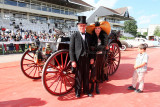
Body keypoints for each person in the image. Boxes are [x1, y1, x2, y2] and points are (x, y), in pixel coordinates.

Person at [69, 16, 93, 98]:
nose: (82, 27)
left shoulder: (89, 36)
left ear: (85, 26)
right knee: (78, 76)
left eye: (83, 25)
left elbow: (92, 48)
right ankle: (77, 92)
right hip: (78, 59)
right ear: (78, 26)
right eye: (80, 25)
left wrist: (92, 58)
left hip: (87, 59)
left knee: (86, 75)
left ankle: (86, 91)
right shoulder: (74, 36)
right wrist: (73, 61)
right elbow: (71, 49)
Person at [89, 21, 108, 94]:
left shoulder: (104, 36)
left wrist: (97, 47)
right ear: (94, 29)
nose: (97, 29)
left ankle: (97, 87)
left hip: (101, 56)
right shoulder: (92, 36)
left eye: (98, 28)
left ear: (100, 29)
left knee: (99, 71)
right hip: (94, 55)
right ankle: (92, 87)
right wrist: (97, 48)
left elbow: (104, 46)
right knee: (93, 71)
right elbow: (91, 47)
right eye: (96, 28)